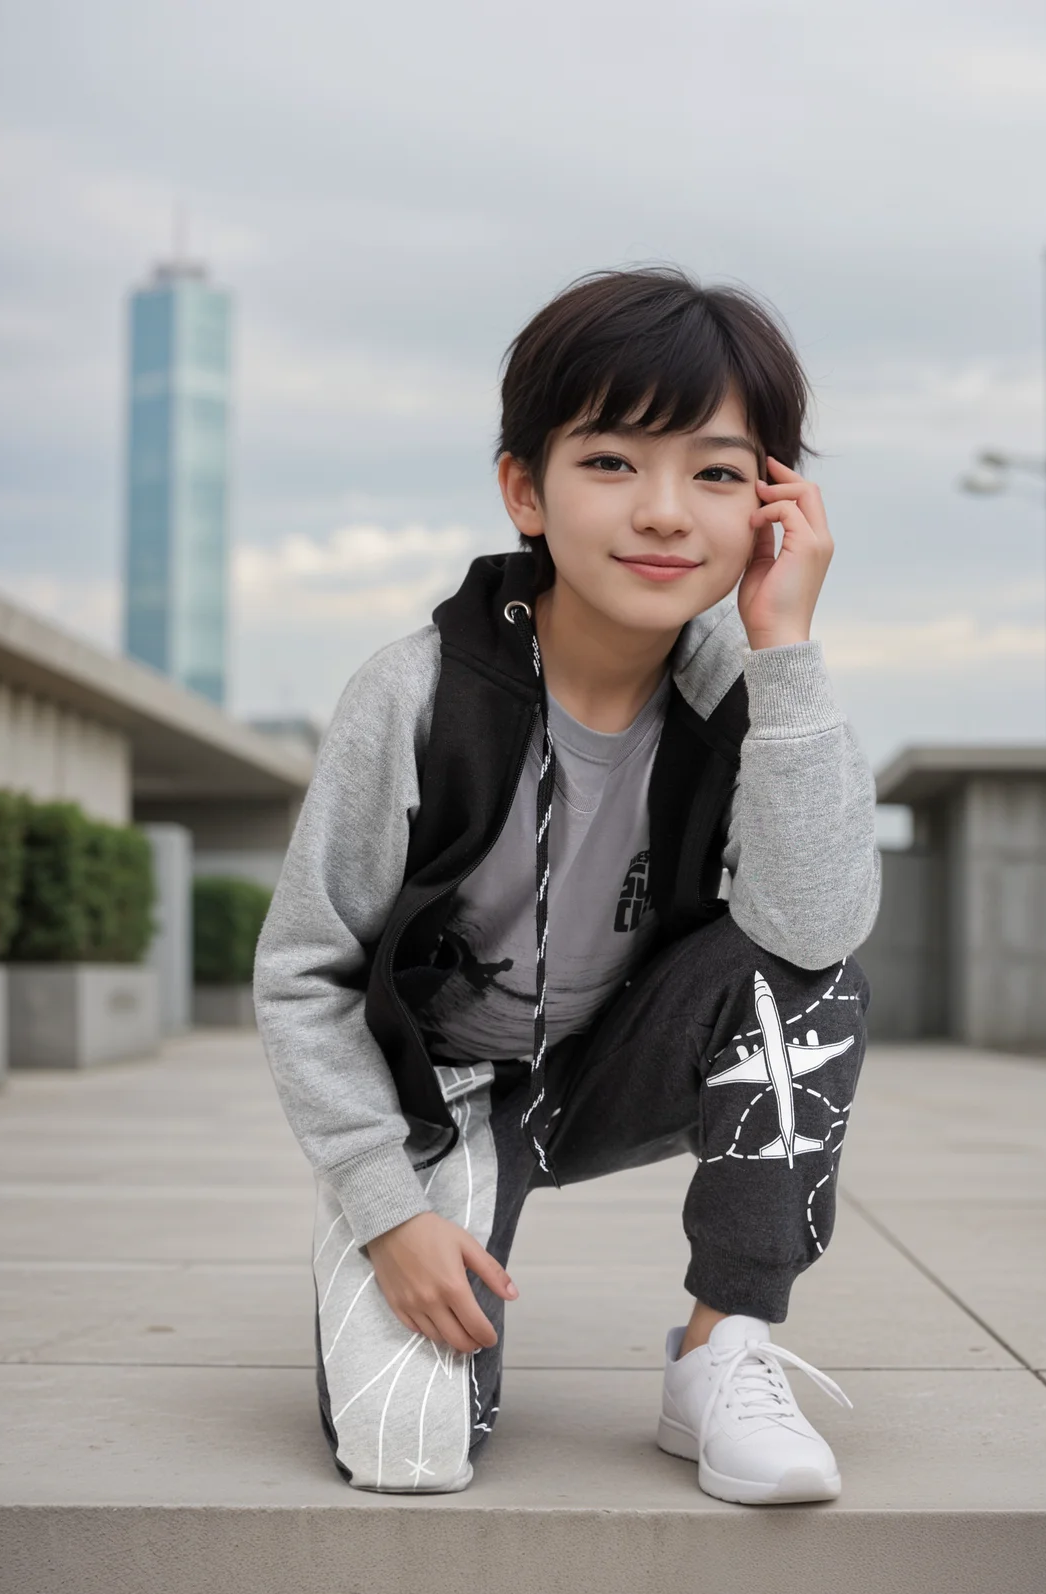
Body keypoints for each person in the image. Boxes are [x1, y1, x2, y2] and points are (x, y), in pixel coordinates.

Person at [254, 267, 880, 1505]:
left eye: (714, 471)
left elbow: (813, 932)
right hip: (442, 1095)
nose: (662, 513)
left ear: (773, 504)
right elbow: (305, 974)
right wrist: (385, 1206)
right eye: (609, 462)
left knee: (809, 980)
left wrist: (787, 650)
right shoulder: (419, 692)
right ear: (524, 491)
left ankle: (723, 1351)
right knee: (408, 1452)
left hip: (609, 1065)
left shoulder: (755, 696)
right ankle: (423, 1223)